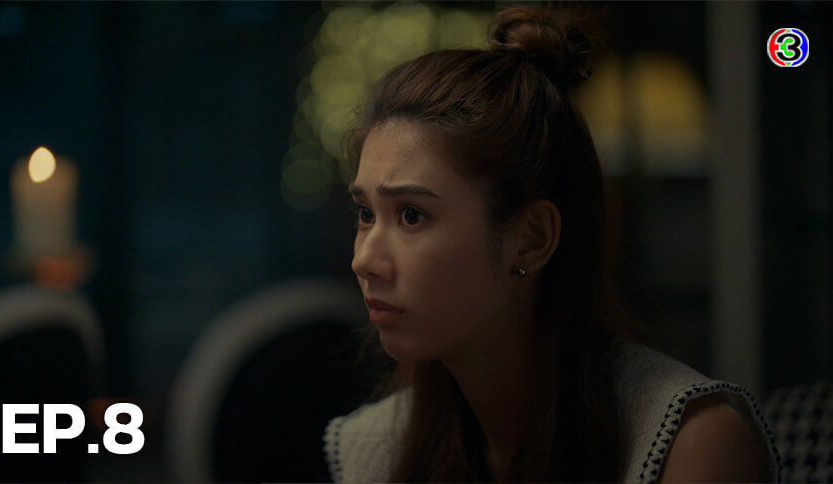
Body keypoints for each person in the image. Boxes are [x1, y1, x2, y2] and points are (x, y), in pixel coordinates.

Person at [324, 5, 780, 482]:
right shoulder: (375, 448)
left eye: (412, 215)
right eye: (365, 213)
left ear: (531, 239)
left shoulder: (688, 441)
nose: (365, 261)